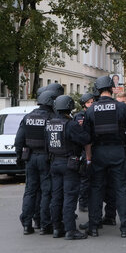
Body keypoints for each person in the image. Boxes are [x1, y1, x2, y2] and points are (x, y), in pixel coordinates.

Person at [81, 75, 126, 237]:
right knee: (120, 189)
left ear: (97, 90)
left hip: (98, 153)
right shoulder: (122, 108)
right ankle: (125, 228)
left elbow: (87, 138)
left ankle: (94, 227)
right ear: (111, 89)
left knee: (96, 188)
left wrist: (89, 157)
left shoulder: (90, 109)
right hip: (117, 150)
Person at [47, 95, 90, 240]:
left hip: (54, 163)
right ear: (69, 107)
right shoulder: (70, 124)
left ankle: (57, 228)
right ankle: (70, 230)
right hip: (69, 164)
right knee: (70, 197)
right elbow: (85, 139)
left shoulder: (50, 123)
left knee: (56, 197)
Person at [15, 89, 57, 234]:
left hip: (30, 158)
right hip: (46, 158)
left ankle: (27, 224)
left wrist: (19, 157)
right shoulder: (52, 118)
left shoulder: (28, 117)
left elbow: (19, 140)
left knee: (30, 191)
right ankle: (45, 224)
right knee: (47, 191)